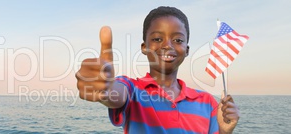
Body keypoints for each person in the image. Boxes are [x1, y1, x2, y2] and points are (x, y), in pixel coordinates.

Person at [75, 6, 240, 134]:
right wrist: (106, 88)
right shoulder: (133, 90)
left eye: (177, 40)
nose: (167, 45)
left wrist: (224, 131)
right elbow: (116, 93)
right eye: (157, 39)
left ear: (187, 49)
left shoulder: (207, 102)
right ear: (144, 47)